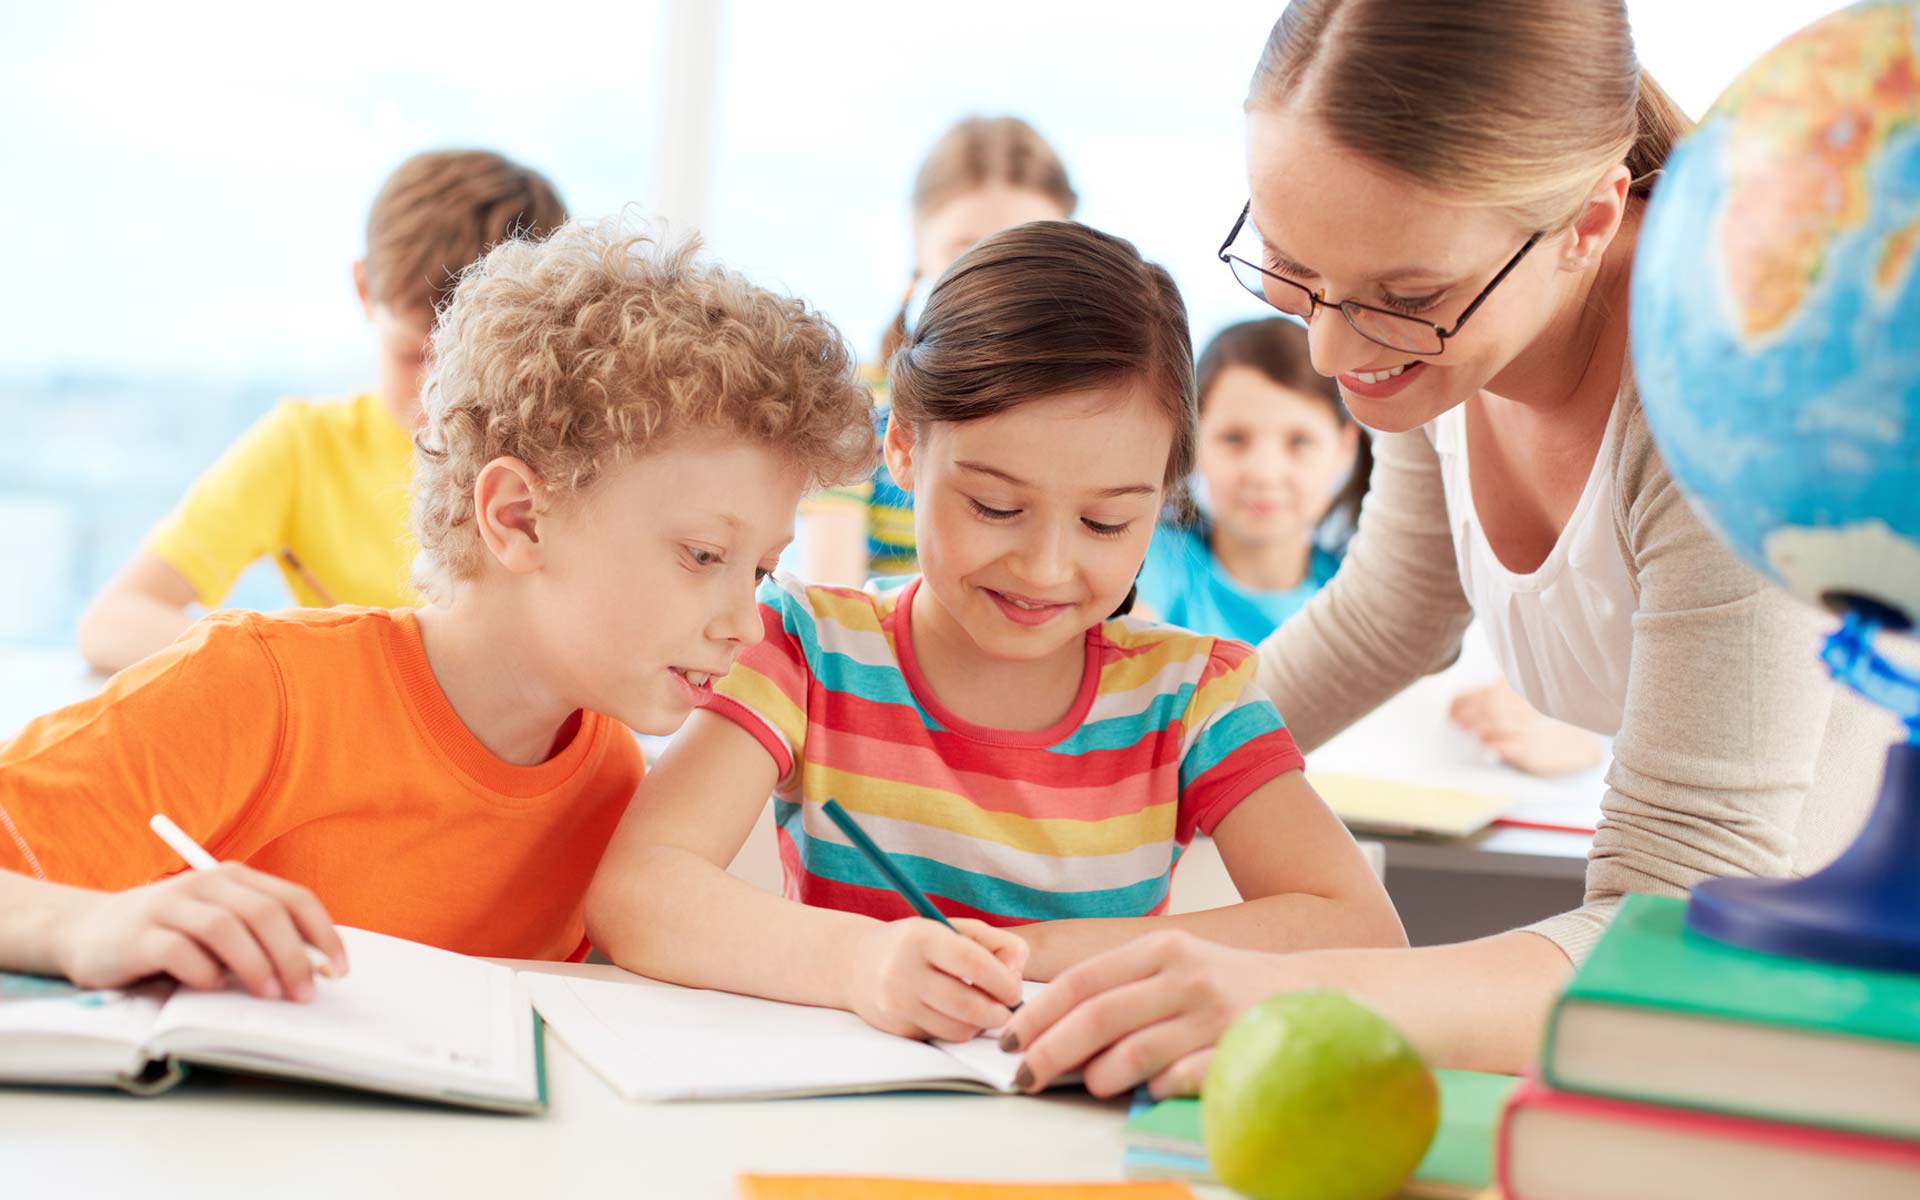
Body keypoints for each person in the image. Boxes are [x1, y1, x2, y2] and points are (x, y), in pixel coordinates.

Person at [1002, 0, 1890, 1089]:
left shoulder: (1730, 383)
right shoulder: (1442, 344)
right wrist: (1094, 786)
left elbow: (1675, 919)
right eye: (1294, 271)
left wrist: (1286, 991)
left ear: (1588, 222)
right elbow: (1392, 611)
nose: (1329, 348)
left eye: (1404, 297)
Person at [0, 219, 875, 1003]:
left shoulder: (608, 779)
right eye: (703, 557)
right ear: (518, 518)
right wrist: (81, 928)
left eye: (759, 571)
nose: (747, 622)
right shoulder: (258, 689)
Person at [586, 221, 1404, 1046]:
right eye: (996, 508)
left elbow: (1361, 931)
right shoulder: (807, 648)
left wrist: (1032, 956)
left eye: (1106, 521)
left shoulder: (1191, 698)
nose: (1046, 567)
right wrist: (863, 964)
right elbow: (637, 895)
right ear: (902, 447)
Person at [75, 149, 568, 675]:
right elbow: (112, 623)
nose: (438, 397)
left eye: (471, 367)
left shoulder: (581, 464)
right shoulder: (304, 449)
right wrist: (299, 668)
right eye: (411, 354)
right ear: (363, 289)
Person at [1143, 317, 1601, 776]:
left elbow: (1554, 732)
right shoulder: (1154, 563)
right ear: (1192, 441)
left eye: (1299, 442)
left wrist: (1553, 733)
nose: (1264, 472)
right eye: (1234, 439)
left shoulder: (1368, 589)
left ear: (1344, 448)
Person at [800, 116, 1079, 585]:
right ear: (917, 237)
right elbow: (830, 593)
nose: (999, 278)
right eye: (967, 250)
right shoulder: (853, 407)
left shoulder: (1089, 412)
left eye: (1026, 251)